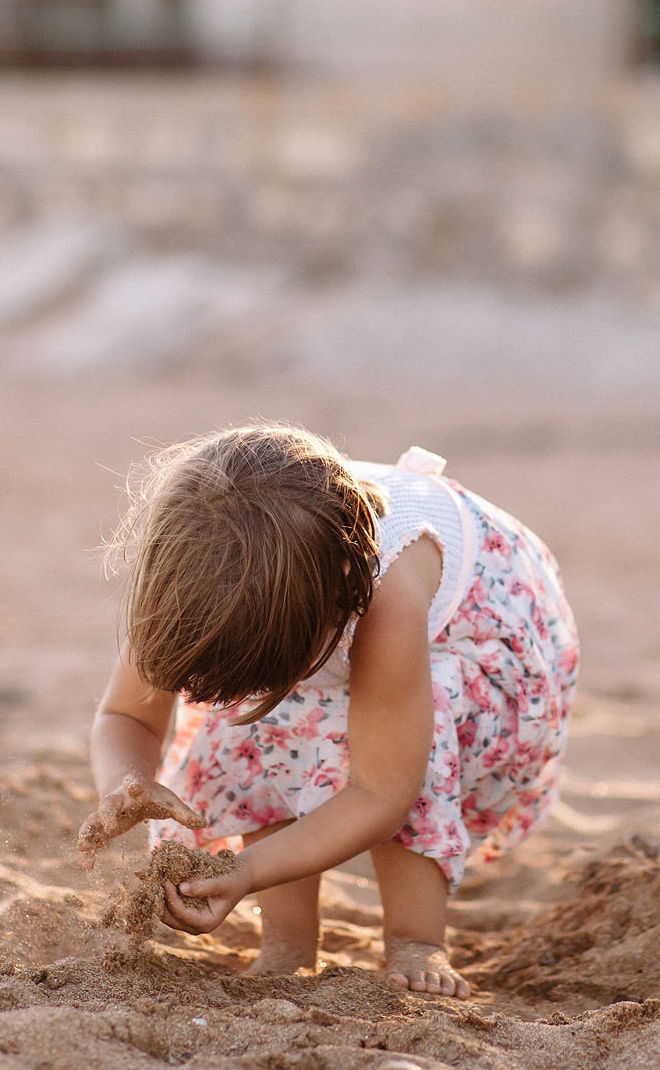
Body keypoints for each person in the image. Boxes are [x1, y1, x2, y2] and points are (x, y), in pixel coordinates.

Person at [78, 423, 580, 999]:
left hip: (480, 631)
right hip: (313, 596)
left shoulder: (385, 597)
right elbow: (126, 717)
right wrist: (126, 783)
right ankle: (288, 940)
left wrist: (246, 871)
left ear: (338, 600)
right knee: (257, 721)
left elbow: (383, 792)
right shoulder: (194, 584)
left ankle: (417, 936)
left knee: (413, 722)